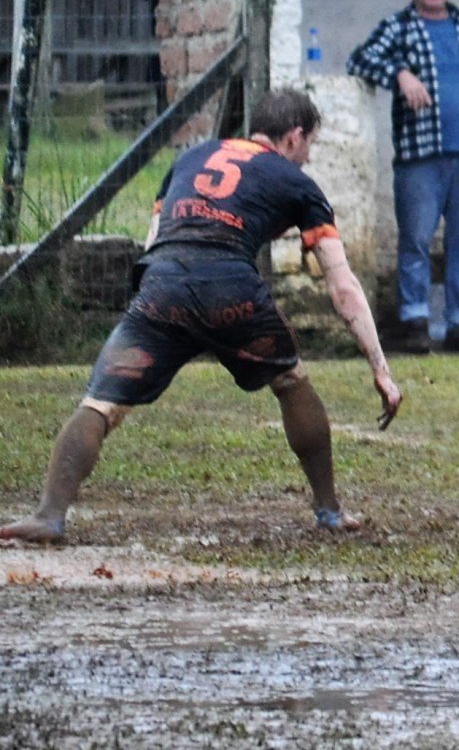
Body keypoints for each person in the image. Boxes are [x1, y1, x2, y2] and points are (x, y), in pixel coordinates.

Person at [0, 91, 404, 544]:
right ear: (294, 137)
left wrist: (151, 310)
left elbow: (154, 240)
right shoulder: (296, 182)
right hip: (230, 290)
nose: (308, 157)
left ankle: (49, 516)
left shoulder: (190, 158)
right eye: (309, 145)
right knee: (290, 381)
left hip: (162, 285)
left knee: (102, 403)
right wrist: (381, 369)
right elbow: (342, 284)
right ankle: (329, 510)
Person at [348, 0, 459, 355]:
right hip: (420, 155)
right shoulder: (399, 27)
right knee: (416, 240)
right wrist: (399, 74)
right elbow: (360, 59)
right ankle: (414, 321)